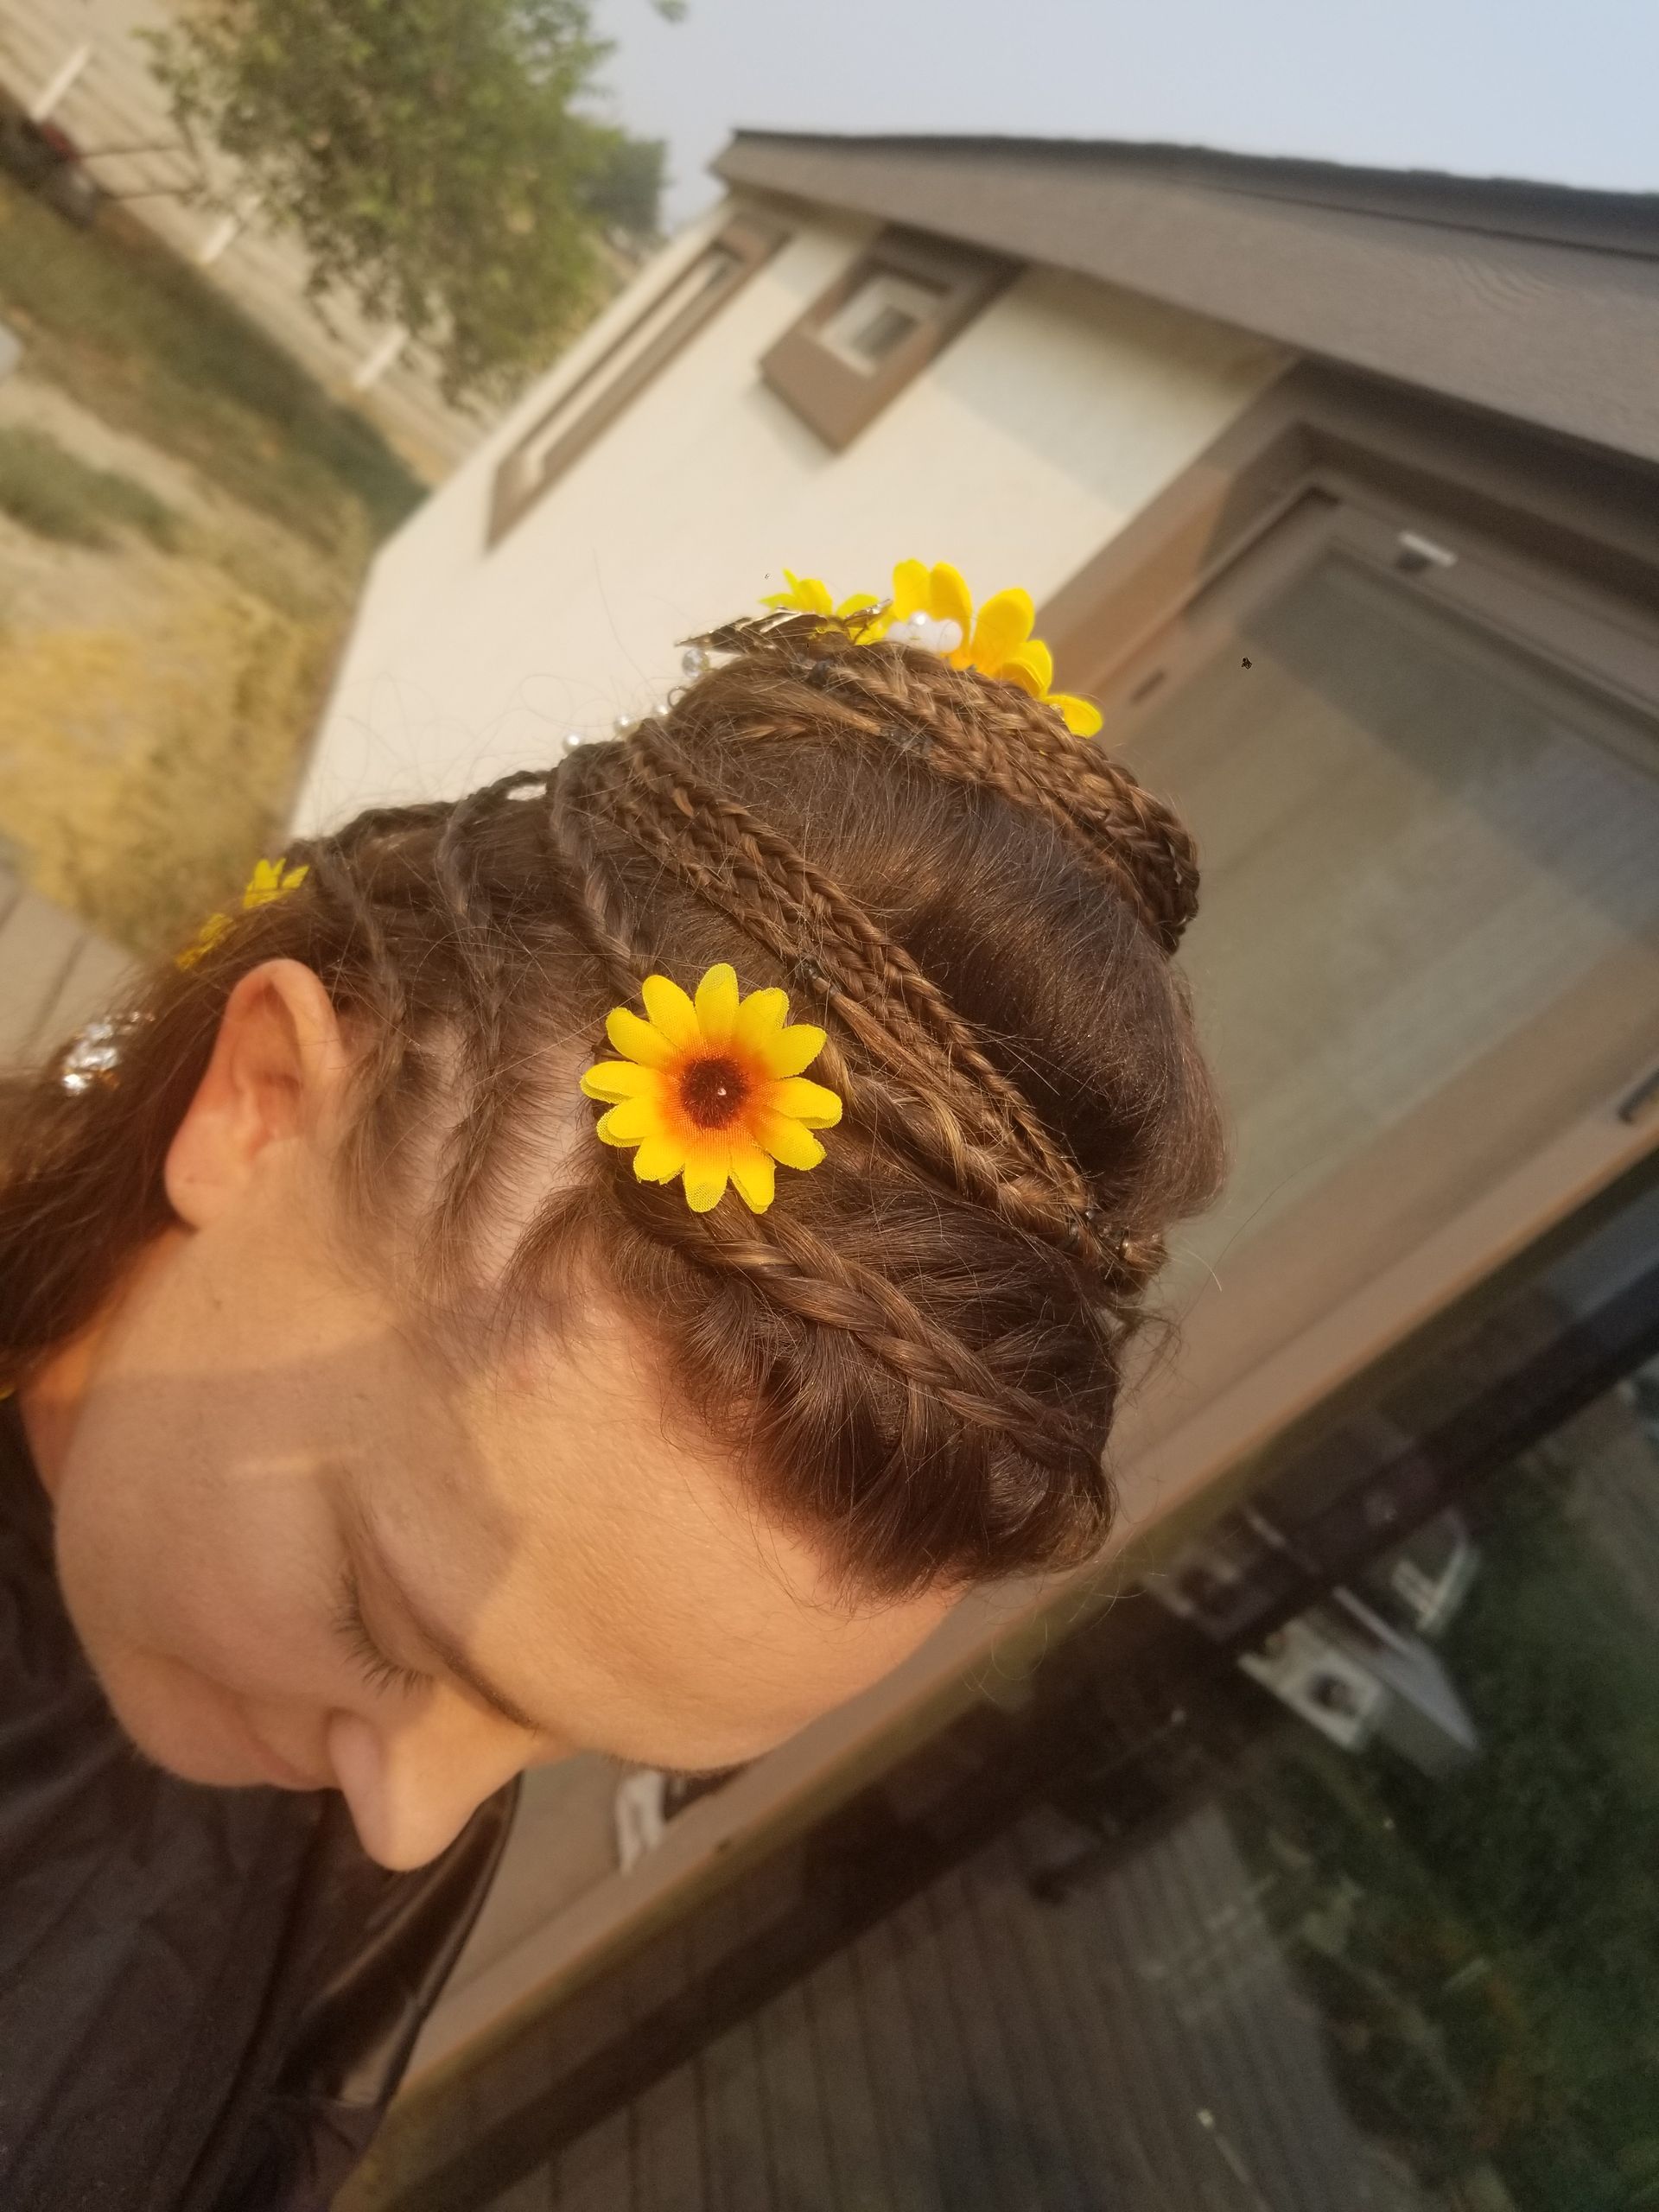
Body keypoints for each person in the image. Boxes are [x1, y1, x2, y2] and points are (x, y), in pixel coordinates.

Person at [0, 560, 1228, 2209]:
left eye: (564, 1745)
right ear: (262, 1103)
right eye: (381, 1625)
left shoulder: (366, 1798)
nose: (411, 1835)